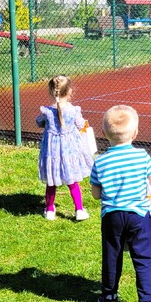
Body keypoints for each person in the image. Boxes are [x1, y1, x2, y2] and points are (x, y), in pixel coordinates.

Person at [91, 105, 151, 302]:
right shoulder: (142, 156)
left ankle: (109, 296)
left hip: (112, 217)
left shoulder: (100, 161)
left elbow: (96, 194)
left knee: (112, 255)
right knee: (144, 257)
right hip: (138, 216)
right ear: (135, 133)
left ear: (104, 134)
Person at [36, 75, 93, 221]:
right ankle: (79, 209)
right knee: (72, 181)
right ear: (69, 91)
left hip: (52, 154)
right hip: (69, 153)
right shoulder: (73, 111)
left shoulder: (47, 111)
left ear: (52, 91)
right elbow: (80, 124)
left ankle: (50, 210)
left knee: (51, 182)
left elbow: (39, 122)